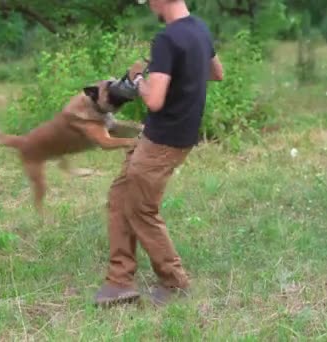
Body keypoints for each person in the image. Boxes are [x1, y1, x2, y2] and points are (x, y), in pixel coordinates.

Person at [95, 0, 224, 307]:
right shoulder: (199, 29)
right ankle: (119, 280)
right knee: (120, 196)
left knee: (141, 209)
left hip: (162, 140)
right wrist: (178, 75)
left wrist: (139, 83)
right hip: (177, 136)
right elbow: (217, 73)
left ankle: (175, 283)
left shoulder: (167, 39)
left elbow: (154, 100)